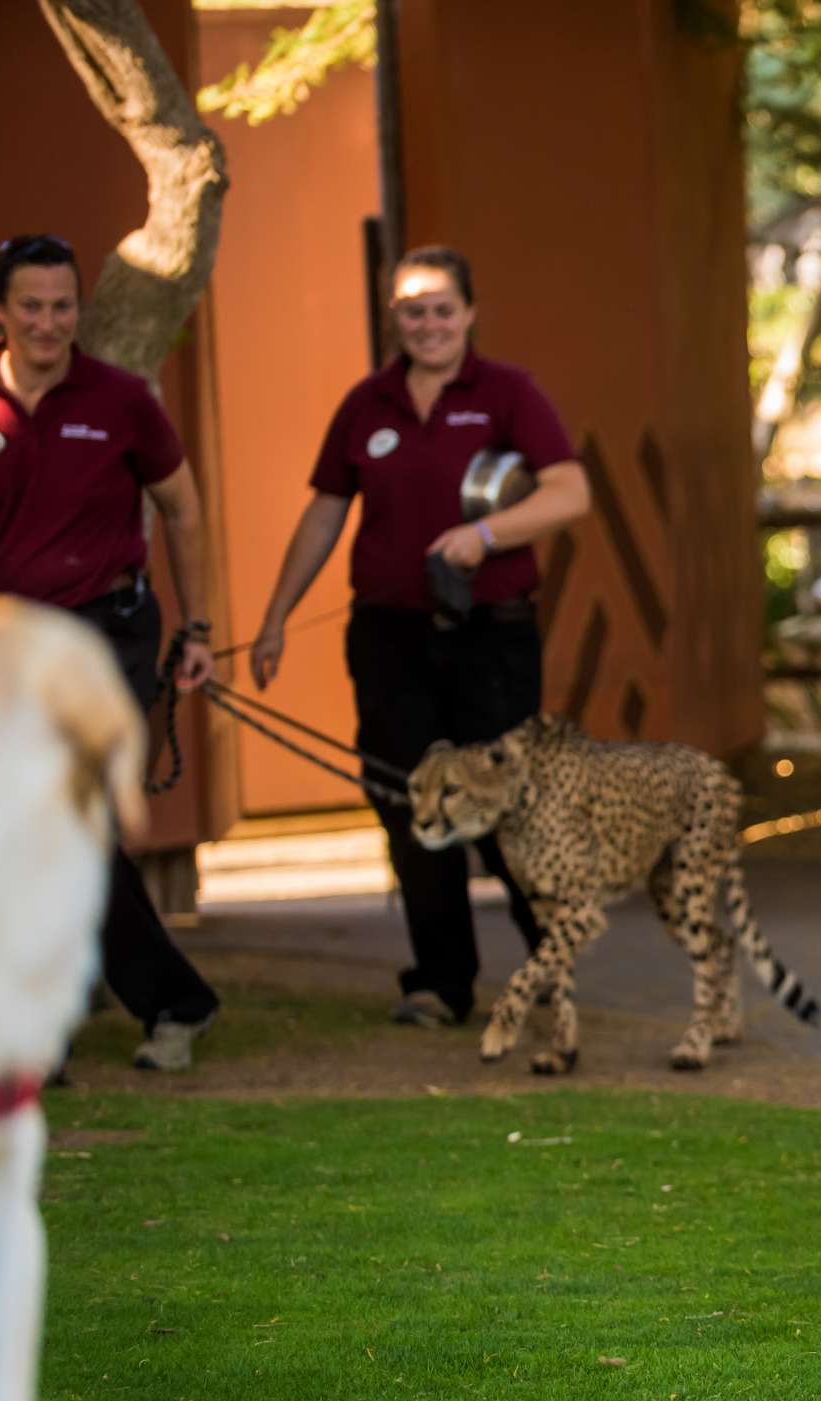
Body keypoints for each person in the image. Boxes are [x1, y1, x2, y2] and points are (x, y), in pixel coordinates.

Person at [249, 245, 589, 1027]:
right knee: (412, 804)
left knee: (507, 806)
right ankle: (440, 982)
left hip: (490, 637)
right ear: (392, 316)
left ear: (469, 313)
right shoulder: (367, 405)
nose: (428, 323)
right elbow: (327, 512)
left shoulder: (507, 394)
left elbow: (571, 492)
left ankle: (552, 969)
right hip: (389, 639)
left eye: (442, 307)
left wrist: (489, 535)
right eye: (412, 309)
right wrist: (274, 619)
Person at [0, 233, 220, 1072]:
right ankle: (167, 1002)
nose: (47, 322)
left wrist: (201, 629)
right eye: (30, 306)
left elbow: (182, 507)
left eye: (62, 306)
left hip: (110, 632)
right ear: (0, 309)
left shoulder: (120, 398)